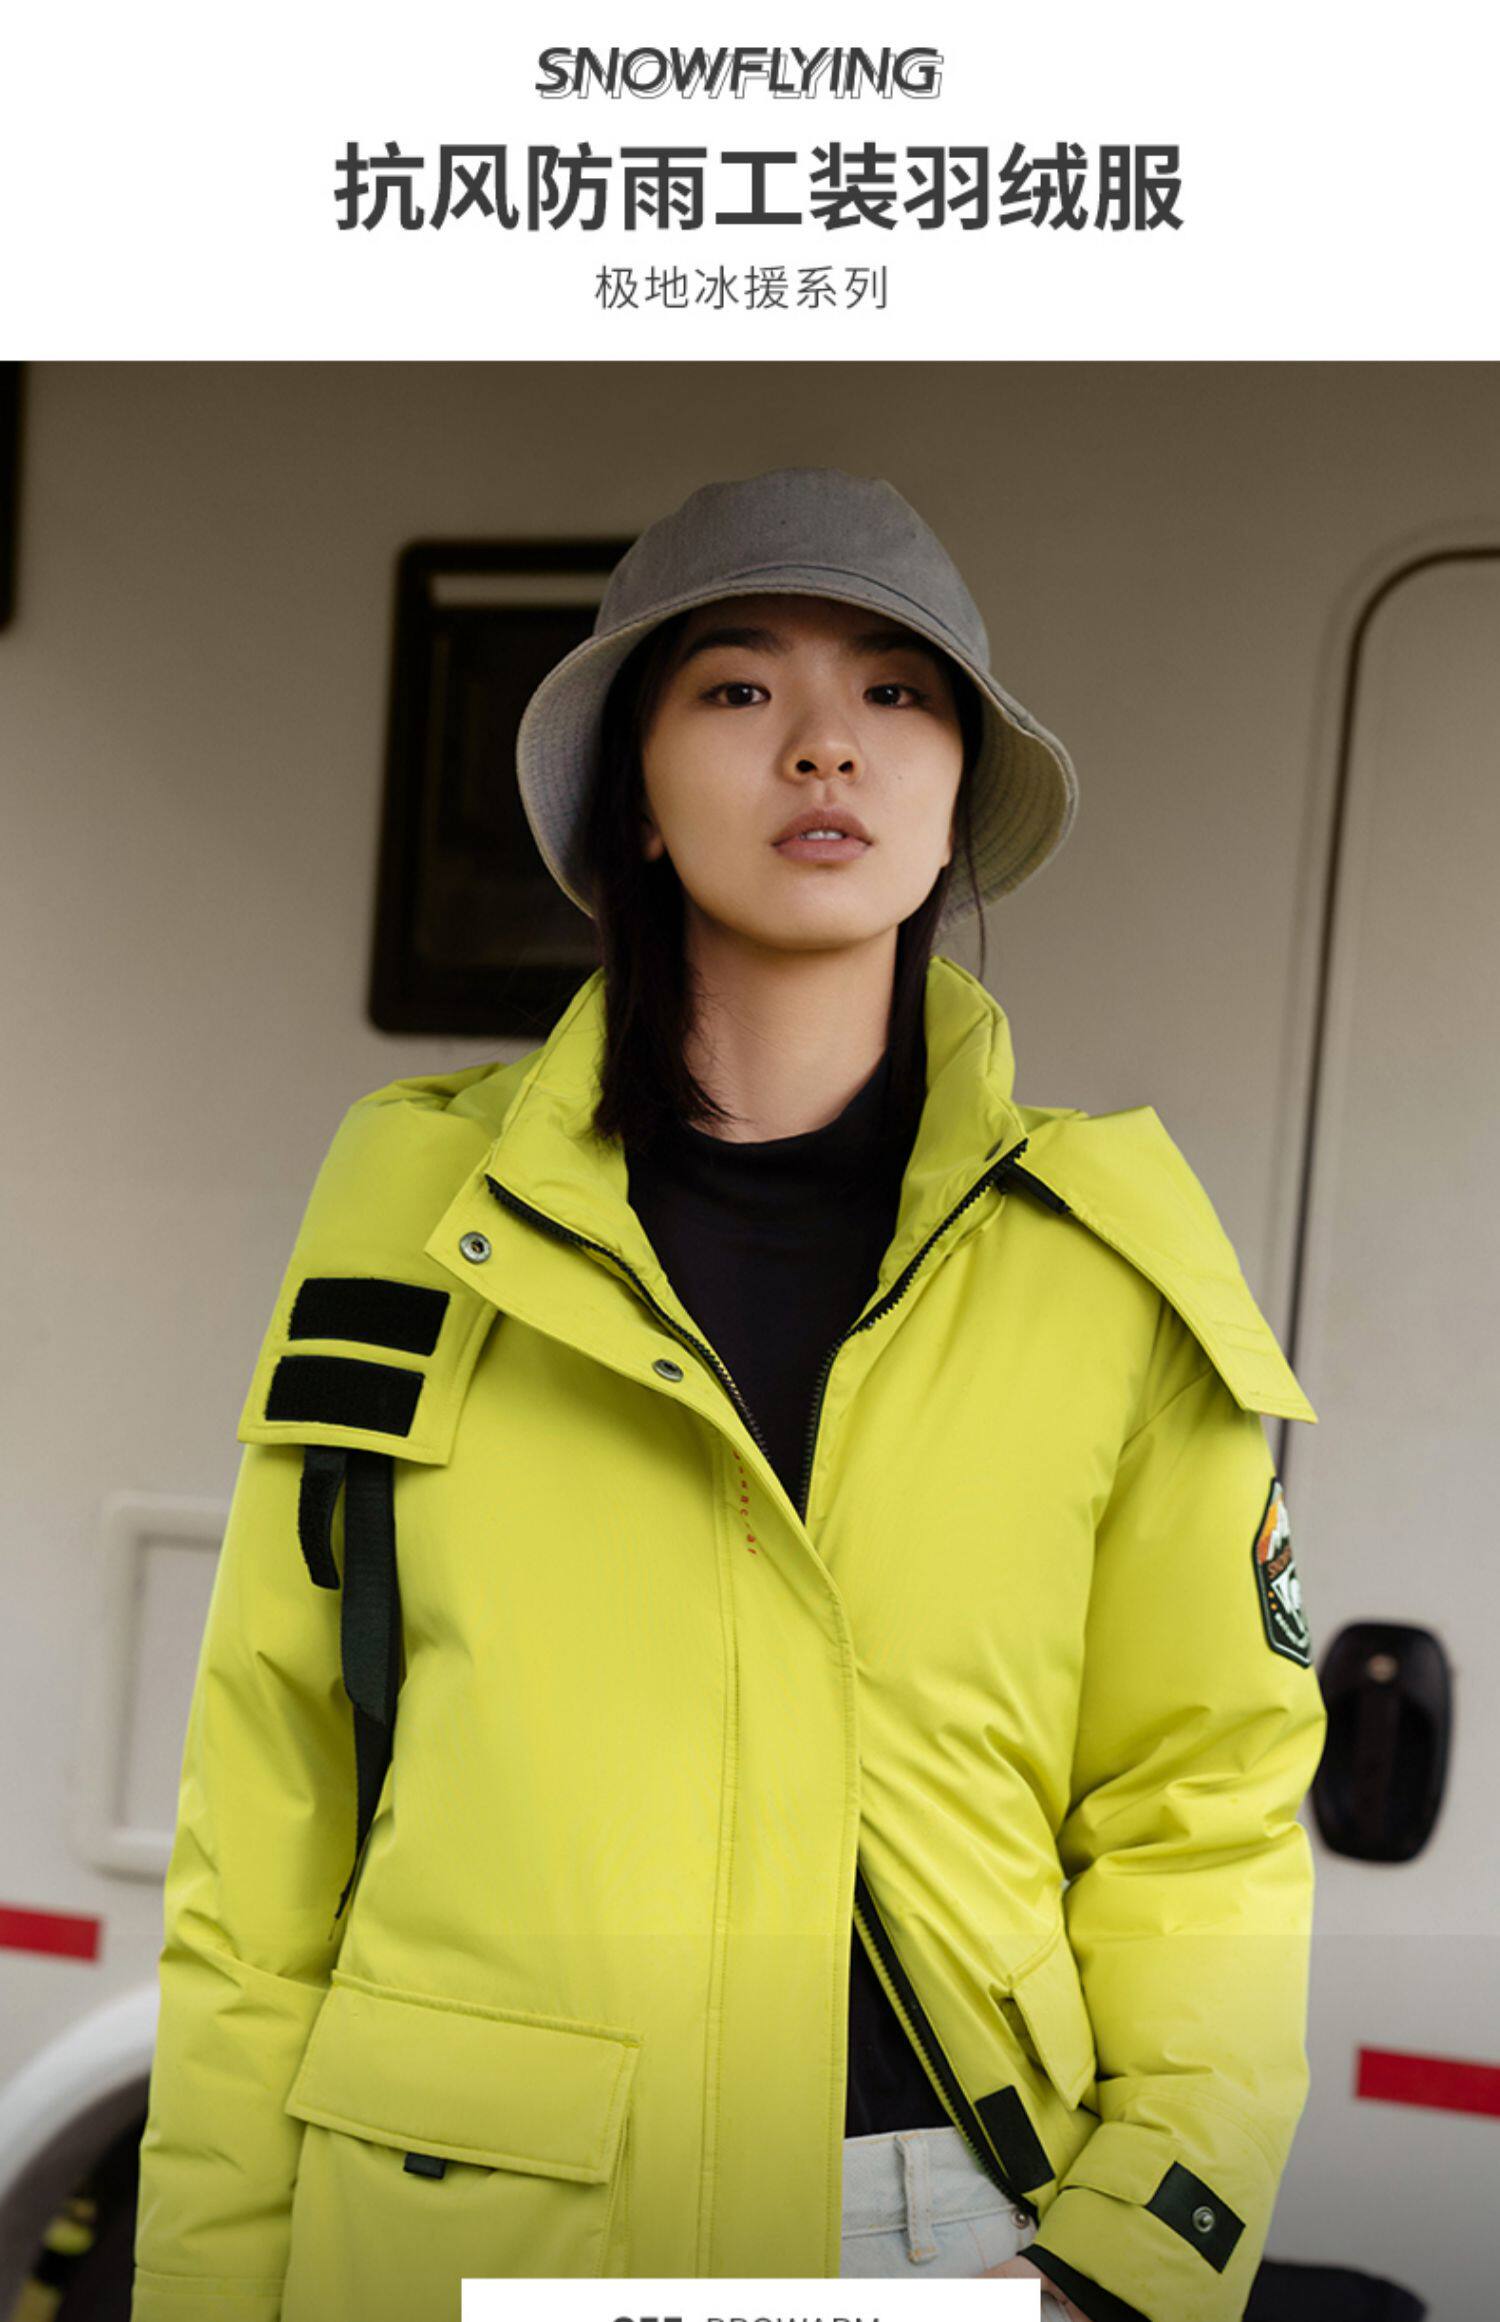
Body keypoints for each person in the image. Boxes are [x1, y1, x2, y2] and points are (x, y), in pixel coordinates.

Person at [131, 467, 1326, 2322]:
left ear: (955, 800)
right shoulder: (414, 1204)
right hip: (450, 2231)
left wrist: (1124, 2258)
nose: (825, 745)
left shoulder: (1106, 1262)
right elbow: (267, 1808)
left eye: (896, 693)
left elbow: (1207, 1811)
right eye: (741, 686)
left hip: (936, 2234)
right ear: (637, 791)